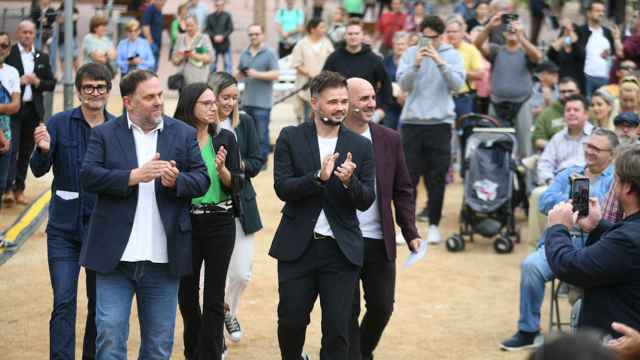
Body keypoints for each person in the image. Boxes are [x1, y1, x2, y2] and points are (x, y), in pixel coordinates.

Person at [79, 70, 210, 359]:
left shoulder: (182, 133)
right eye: (149, 97)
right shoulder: (104, 134)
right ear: (128, 102)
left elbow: (202, 180)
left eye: (160, 95)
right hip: (115, 258)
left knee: (159, 344)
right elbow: (88, 176)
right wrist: (133, 176)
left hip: (163, 258)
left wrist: (177, 181)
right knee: (110, 335)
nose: (158, 102)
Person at [270, 71, 375, 360]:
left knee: (338, 329)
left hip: (340, 251)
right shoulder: (291, 136)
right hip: (297, 247)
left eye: (344, 101)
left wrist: (348, 182)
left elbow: (367, 200)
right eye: (333, 102)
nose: (340, 107)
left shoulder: (360, 146)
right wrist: (318, 176)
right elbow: (282, 187)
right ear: (314, 103)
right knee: (290, 322)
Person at [500, 128, 618, 351]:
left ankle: (592, 341)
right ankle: (528, 331)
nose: (589, 151)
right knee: (531, 266)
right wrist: (575, 197)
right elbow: (544, 201)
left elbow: (615, 214)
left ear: (611, 154)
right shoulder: (570, 173)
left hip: (596, 247)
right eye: (588, 146)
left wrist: (593, 206)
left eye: (596, 148)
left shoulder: (616, 180)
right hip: (560, 242)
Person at [29, 62, 115, 360]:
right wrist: (42, 150)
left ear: (108, 90)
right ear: (79, 91)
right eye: (88, 87)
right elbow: (39, 170)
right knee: (64, 302)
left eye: (100, 87)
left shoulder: (117, 129)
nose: (94, 92)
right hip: (64, 230)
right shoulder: (59, 123)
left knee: (99, 305)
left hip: (102, 231)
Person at [343, 77, 421, 360]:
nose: (371, 103)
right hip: (341, 239)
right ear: (346, 101)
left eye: (373, 97)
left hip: (379, 238)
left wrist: (410, 231)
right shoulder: (331, 138)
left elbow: (403, 189)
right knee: (346, 310)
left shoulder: (389, 138)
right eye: (363, 98)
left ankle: (362, 351)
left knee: (382, 306)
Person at [174, 82, 242, 360]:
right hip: (187, 223)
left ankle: (211, 354)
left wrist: (223, 171)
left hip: (220, 221)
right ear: (191, 106)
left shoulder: (225, 138)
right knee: (187, 296)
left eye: (215, 102)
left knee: (213, 298)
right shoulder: (177, 139)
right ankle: (193, 351)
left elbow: (236, 184)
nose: (214, 107)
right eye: (207, 103)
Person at [545, 144, 640, 337]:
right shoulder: (630, 230)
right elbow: (617, 254)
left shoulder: (628, 238)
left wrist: (557, 228)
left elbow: (570, 267)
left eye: (616, 180)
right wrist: (598, 225)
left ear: (628, 188)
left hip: (616, 346)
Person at [396, 15, 465, 244]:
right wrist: (416, 64)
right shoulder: (409, 53)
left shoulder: (453, 55)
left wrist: (439, 61)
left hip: (440, 124)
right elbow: (403, 86)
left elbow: (456, 85)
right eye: (424, 37)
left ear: (441, 36)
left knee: (436, 179)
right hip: (413, 123)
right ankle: (407, 227)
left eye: (433, 38)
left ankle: (434, 225)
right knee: (408, 179)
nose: (428, 42)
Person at [208, 72, 264, 344]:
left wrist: (236, 168)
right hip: (207, 205)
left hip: (241, 204)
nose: (230, 103)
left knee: (241, 273)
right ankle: (218, 323)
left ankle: (226, 309)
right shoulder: (199, 125)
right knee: (209, 274)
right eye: (225, 97)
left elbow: (258, 159)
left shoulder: (246, 122)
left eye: (234, 98)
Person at [474, 11, 543, 159]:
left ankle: (524, 179)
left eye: (515, 28)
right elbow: (477, 45)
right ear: (503, 34)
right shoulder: (496, 50)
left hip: (522, 102)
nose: (511, 31)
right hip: (497, 102)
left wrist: (521, 37)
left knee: (524, 149)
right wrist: (488, 27)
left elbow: (538, 56)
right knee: (494, 145)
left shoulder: (526, 52)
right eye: (508, 29)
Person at [4, 20, 55, 207]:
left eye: (30, 33)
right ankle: (7, 188)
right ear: (18, 33)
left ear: (35, 35)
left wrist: (37, 82)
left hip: (33, 111)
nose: (27, 35)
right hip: (13, 109)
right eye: (24, 32)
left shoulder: (42, 56)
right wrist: (19, 80)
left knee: (26, 151)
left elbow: (51, 83)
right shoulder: (9, 54)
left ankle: (19, 188)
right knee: (11, 149)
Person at [323, 20, 393, 127]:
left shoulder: (374, 59)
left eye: (356, 33)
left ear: (362, 36)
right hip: (339, 114)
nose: (353, 37)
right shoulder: (334, 58)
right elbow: (323, 84)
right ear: (345, 36)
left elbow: (386, 86)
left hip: (366, 114)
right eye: (350, 34)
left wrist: (381, 111)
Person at [237, 24, 279, 167]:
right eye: (251, 34)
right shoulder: (244, 54)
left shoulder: (270, 53)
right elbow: (239, 75)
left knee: (262, 135)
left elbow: (276, 74)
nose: (254, 37)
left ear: (262, 35)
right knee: (249, 135)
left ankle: (263, 162)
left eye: (257, 34)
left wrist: (256, 74)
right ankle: (252, 163)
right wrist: (239, 75)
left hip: (263, 103)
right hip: (247, 101)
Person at [576, 0, 623, 99]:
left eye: (602, 11)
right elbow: (570, 48)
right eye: (597, 11)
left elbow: (618, 53)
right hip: (585, 78)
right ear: (588, 13)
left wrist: (617, 39)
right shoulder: (580, 31)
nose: (601, 13)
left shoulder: (608, 33)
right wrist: (567, 38)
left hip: (605, 78)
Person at [290, 18, 335, 123]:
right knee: (308, 118)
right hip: (306, 86)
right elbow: (296, 64)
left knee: (323, 117)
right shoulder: (301, 44)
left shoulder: (327, 43)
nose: (324, 30)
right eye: (322, 27)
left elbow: (333, 61)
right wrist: (310, 74)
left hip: (324, 86)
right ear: (312, 29)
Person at [0, 32, 21, 248]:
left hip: (7, 136)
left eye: (4, 46)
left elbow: (16, 106)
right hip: (3, 136)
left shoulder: (12, 72)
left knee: (1, 185)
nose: (0, 49)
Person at [446, 17, 485, 120]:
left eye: (454, 32)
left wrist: (459, 72)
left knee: (466, 130)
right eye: (448, 32)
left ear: (462, 33)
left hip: (463, 98)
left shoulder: (470, 49)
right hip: (444, 98)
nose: (451, 34)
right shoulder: (441, 50)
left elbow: (480, 75)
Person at [531, 77, 580, 152]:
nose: (567, 95)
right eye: (563, 92)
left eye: (570, 91)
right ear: (558, 93)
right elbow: (537, 140)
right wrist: (557, 147)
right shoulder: (547, 113)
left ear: (578, 91)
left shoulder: (588, 112)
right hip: (554, 156)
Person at [172, 15, 214, 87]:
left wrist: (192, 55)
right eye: (187, 26)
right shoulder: (180, 38)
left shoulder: (204, 38)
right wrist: (181, 56)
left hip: (200, 78)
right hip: (183, 79)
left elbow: (210, 58)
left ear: (197, 25)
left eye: (191, 25)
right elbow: (174, 60)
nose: (189, 28)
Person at [547, 18, 584, 92]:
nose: (570, 35)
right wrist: (565, 36)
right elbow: (550, 53)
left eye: (573, 32)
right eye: (567, 33)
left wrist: (570, 33)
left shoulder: (579, 49)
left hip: (576, 86)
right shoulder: (560, 49)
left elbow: (580, 53)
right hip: (560, 86)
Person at [381, 31, 409, 129]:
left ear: (408, 46)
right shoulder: (386, 61)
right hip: (390, 104)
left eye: (402, 44)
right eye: (397, 44)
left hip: (408, 104)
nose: (400, 47)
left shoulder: (413, 61)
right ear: (393, 45)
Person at [205, 0, 234, 74]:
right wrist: (214, 36)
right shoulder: (209, 17)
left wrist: (222, 36)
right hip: (213, 45)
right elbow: (207, 29)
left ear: (223, 6)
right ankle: (212, 81)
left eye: (221, 5)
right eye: (217, 5)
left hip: (225, 44)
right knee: (212, 66)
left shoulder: (227, 16)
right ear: (215, 6)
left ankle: (228, 81)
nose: (219, 7)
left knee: (228, 65)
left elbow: (230, 28)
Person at [142, 0, 166, 72]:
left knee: (155, 69)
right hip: (151, 45)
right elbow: (145, 27)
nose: (163, 3)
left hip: (157, 44)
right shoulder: (150, 10)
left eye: (164, 1)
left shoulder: (159, 11)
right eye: (161, 1)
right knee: (150, 70)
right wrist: (151, 43)